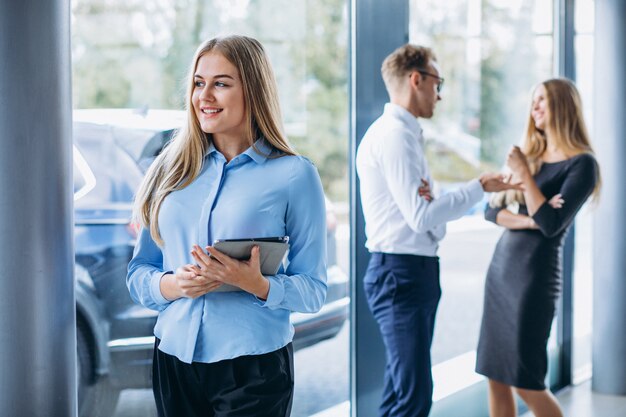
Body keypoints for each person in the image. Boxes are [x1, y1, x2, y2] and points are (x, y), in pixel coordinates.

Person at [126, 35, 327, 417]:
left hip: (254, 367)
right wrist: (173, 285)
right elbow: (139, 273)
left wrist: (257, 284)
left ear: (252, 89)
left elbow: (314, 289)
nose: (205, 96)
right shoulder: (170, 171)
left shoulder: (294, 175)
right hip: (173, 357)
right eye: (199, 83)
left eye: (221, 83)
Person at [355, 43, 520, 417]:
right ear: (416, 79)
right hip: (401, 273)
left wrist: (443, 199)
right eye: (436, 81)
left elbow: (426, 207)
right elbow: (421, 215)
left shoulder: (405, 134)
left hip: (409, 270)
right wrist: (478, 187)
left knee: (402, 392)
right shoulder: (395, 136)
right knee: (413, 396)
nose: (439, 94)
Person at [475, 78, 601, 417]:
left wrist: (526, 182)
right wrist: (532, 216)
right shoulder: (529, 155)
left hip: (534, 279)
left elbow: (551, 225)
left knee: (526, 382)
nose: (535, 108)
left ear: (563, 105)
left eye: (542, 100)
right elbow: (492, 211)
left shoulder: (582, 164)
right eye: (533, 101)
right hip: (501, 273)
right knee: (496, 378)